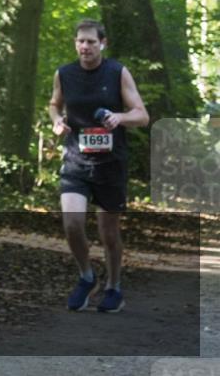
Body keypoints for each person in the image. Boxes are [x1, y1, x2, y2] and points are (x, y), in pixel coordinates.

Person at [49, 19, 149, 314]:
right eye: (81, 41)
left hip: (110, 164)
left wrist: (120, 118)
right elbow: (54, 103)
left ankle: (114, 286)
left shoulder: (117, 72)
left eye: (91, 41)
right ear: (75, 44)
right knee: (72, 223)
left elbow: (141, 115)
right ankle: (86, 276)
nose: (85, 46)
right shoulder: (64, 74)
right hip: (76, 161)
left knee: (108, 233)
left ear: (102, 43)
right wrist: (56, 120)